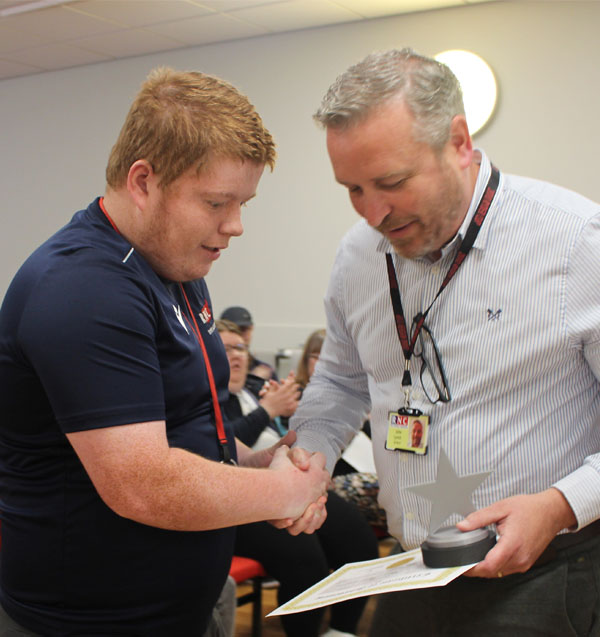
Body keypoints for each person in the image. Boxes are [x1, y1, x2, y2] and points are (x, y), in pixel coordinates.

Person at [0, 66, 330, 636]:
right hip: (85, 624)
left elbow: (185, 434)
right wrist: (287, 489)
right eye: (216, 203)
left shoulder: (174, 266)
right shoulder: (84, 287)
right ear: (143, 181)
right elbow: (143, 483)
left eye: (243, 203)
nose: (236, 226)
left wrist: (258, 464)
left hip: (179, 608)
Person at [290, 48, 600, 636]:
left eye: (391, 182)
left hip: (546, 572)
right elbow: (340, 381)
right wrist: (310, 456)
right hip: (412, 567)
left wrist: (560, 504)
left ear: (458, 140)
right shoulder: (358, 254)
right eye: (352, 188)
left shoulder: (575, 243)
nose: (373, 211)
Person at [218, 320, 379, 637]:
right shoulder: (207, 397)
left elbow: (266, 441)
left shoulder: (251, 392)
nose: (236, 355)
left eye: (240, 347)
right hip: (236, 498)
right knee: (306, 563)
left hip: (279, 477)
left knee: (358, 540)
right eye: (225, 348)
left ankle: (341, 631)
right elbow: (217, 444)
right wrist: (267, 410)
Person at [219, 305, 277, 396]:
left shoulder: (265, 368)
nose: (239, 334)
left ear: (252, 329)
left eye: (244, 330)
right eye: (227, 349)